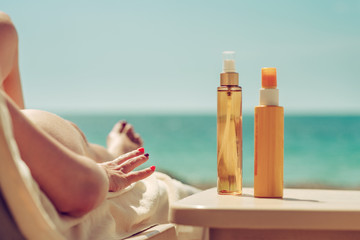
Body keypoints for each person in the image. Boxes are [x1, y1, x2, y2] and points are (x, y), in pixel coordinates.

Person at [0, 11, 159, 217]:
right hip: (52, 152)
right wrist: (104, 174)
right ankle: (113, 154)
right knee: (5, 28)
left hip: (27, 136)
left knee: (6, 29)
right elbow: (83, 190)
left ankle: (110, 152)